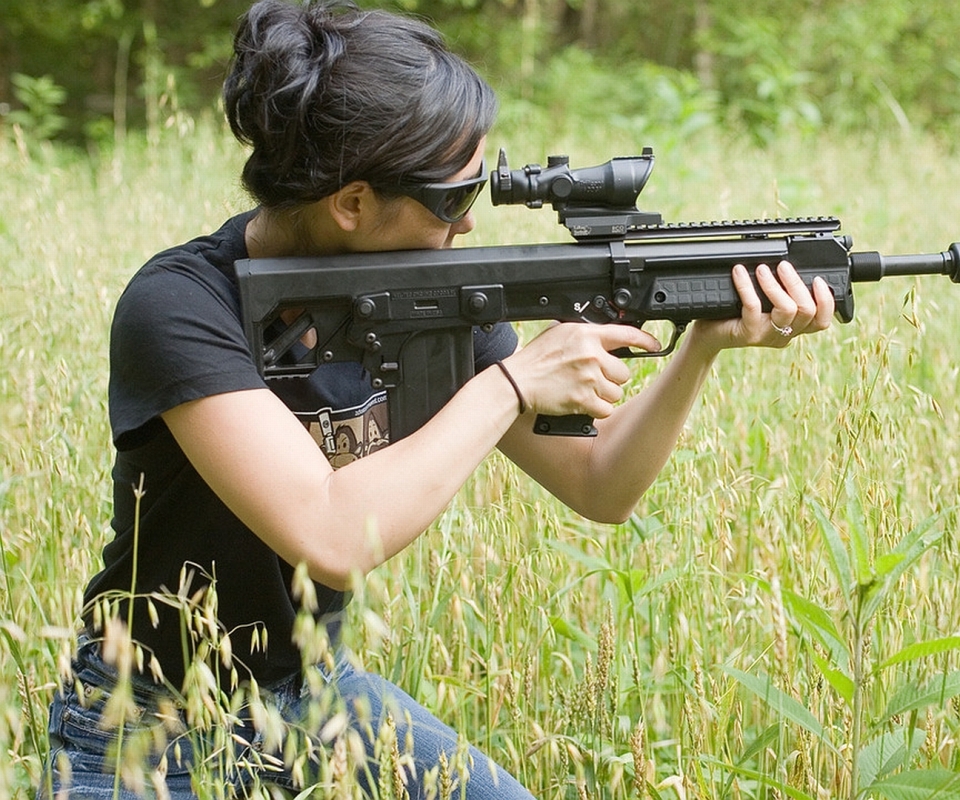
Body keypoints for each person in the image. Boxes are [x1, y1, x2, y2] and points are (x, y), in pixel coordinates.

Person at [41, 0, 836, 797]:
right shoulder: (180, 306)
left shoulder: (431, 299)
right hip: (146, 727)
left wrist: (701, 343)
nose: (466, 225)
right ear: (351, 203)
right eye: (451, 200)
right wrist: (513, 381)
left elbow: (601, 485)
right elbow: (331, 533)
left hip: (315, 695)